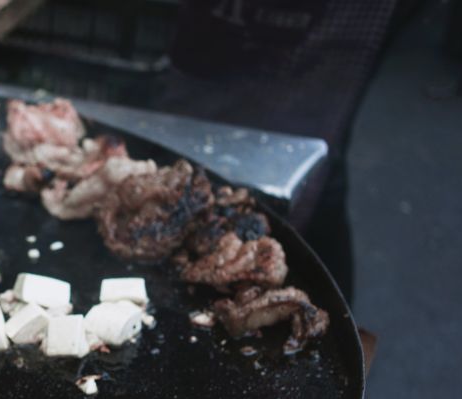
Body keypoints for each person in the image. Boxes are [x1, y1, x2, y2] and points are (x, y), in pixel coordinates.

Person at [151, 0, 401, 302]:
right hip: (217, 40)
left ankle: (330, 315)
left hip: (330, 43)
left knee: (316, 166)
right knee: (184, 151)